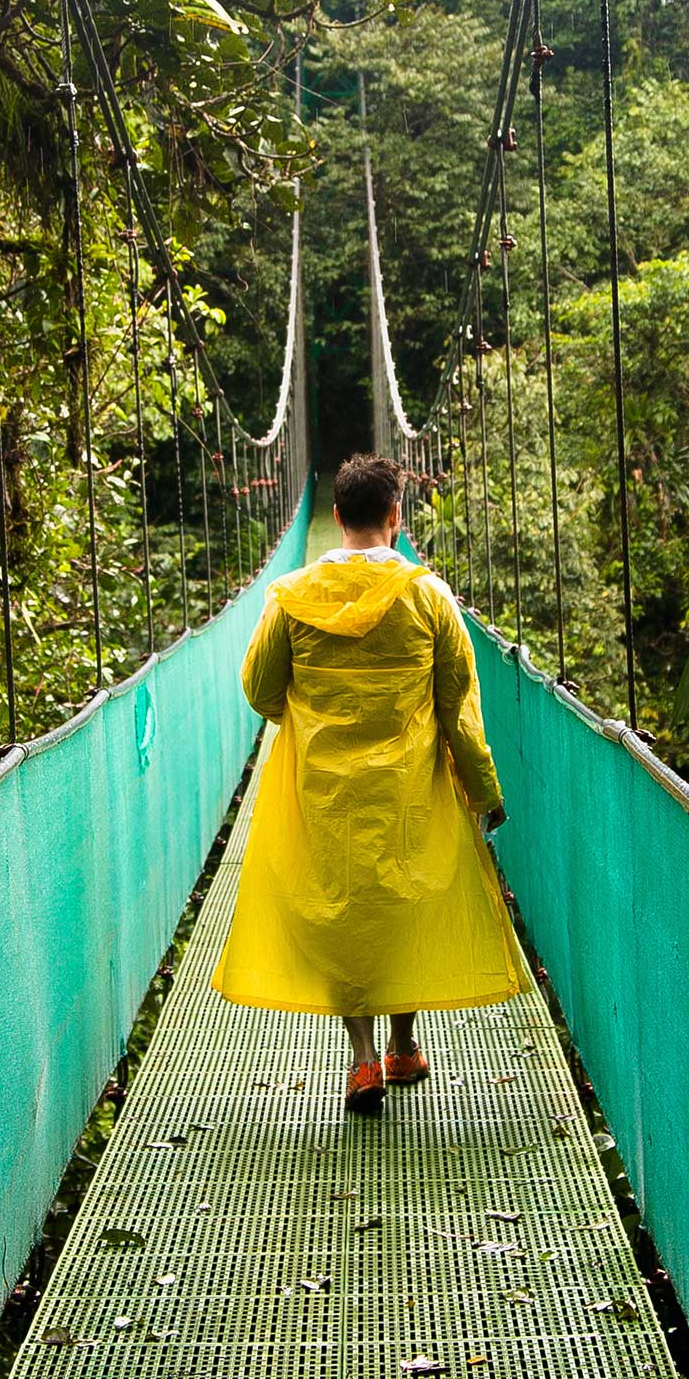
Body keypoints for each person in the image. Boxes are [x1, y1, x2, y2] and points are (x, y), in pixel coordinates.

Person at [213, 453, 528, 1115]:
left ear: (335, 518)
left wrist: (311, 719)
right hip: (410, 788)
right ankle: (403, 1046)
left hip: (323, 788)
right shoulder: (427, 596)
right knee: (403, 904)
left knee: (342, 911)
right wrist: (484, 789)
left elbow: (261, 689)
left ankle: (361, 1064)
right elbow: (458, 708)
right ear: (395, 516)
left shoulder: (291, 597)